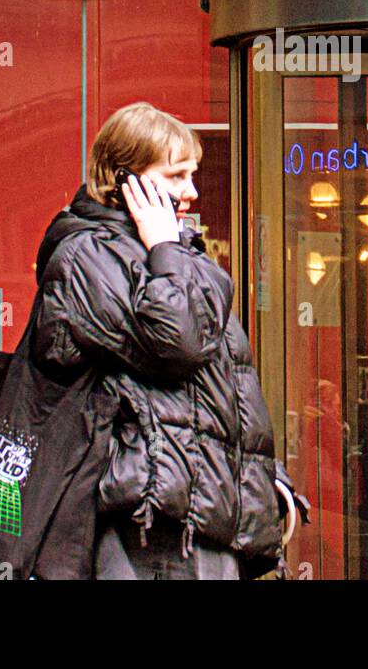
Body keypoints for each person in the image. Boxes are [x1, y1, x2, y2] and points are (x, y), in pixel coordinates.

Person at [29, 101, 307, 579]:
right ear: (125, 180)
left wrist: (266, 481)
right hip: (148, 524)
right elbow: (177, 345)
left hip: (204, 515)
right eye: (176, 175)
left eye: (192, 174)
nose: (191, 191)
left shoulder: (174, 257)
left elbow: (218, 387)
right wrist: (162, 245)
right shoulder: (86, 256)